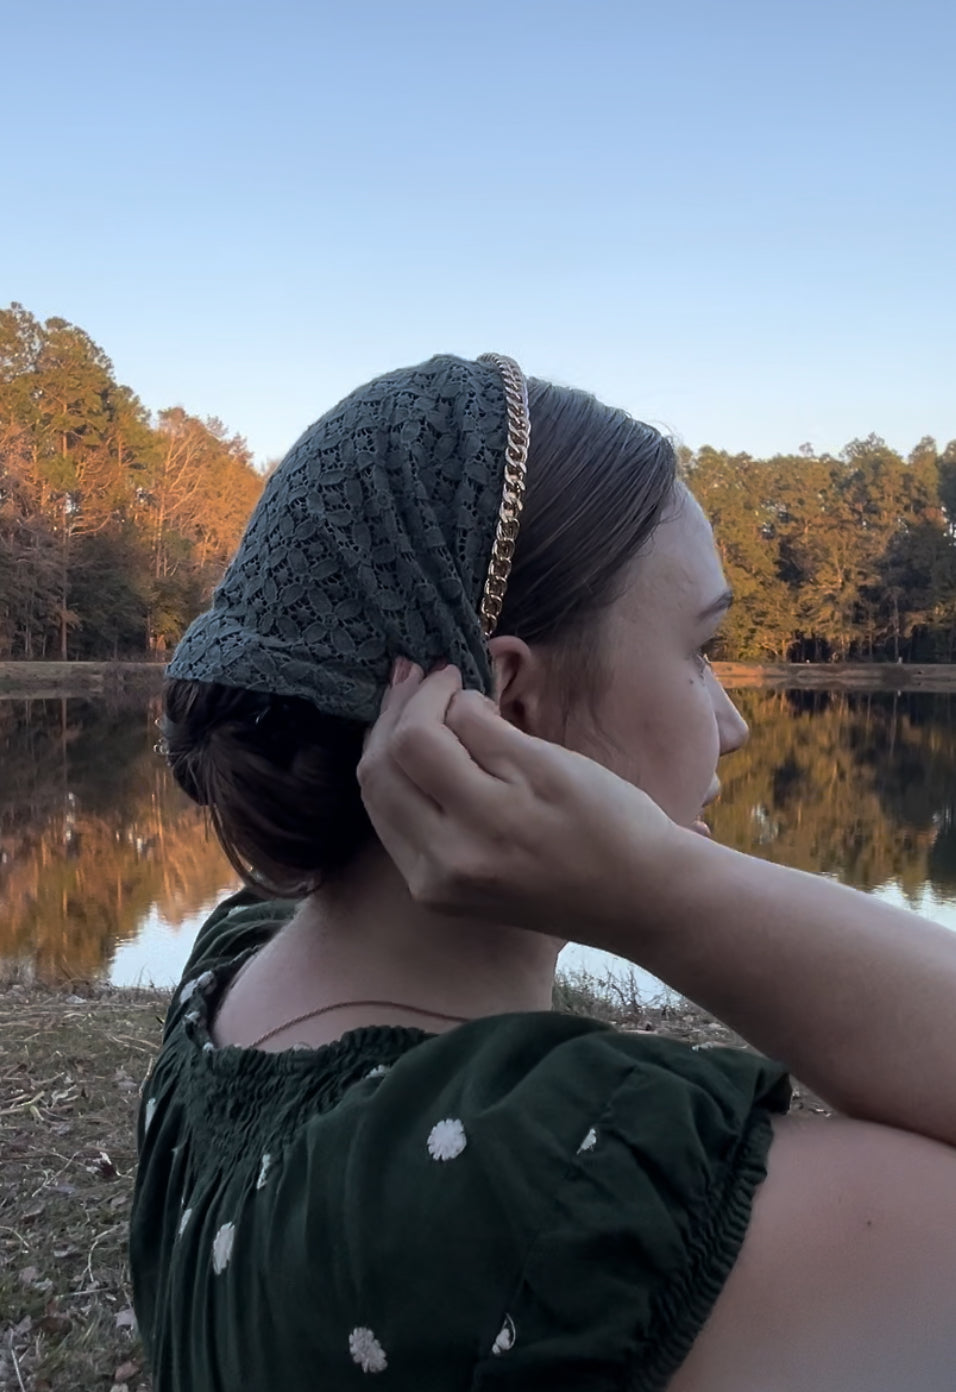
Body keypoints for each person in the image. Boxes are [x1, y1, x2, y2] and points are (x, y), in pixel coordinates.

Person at [132, 353, 956, 1391]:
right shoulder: (546, 1181)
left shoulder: (232, 976)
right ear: (508, 707)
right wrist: (665, 892)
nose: (734, 726)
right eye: (702, 651)